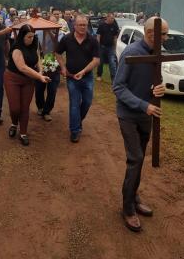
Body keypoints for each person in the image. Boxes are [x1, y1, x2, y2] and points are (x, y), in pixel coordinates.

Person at [112, 16, 168, 233]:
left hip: (147, 114)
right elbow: (118, 87)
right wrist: (144, 105)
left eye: (166, 33)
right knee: (135, 158)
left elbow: (154, 80)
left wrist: (159, 88)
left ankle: (134, 198)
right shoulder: (131, 52)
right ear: (150, 32)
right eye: (162, 34)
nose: (165, 37)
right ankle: (127, 209)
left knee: (139, 159)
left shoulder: (157, 54)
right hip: (128, 114)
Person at [55, 15, 100, 142]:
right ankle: (75, 130)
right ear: (74, 26)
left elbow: (96, 60)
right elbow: (58, 53)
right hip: (72, 77)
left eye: (84, 25)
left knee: (87, 102)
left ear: (87, 25)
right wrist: (63, 68)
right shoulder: (67, 39)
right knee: (74, 104)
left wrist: (84, 71)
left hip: (87, 77)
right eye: (79, 25)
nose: (82, 27)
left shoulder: (93, 40)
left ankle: (77, 121)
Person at [4, 24, 50, 146]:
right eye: (28, 37)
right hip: (12, 79)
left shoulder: (34, 41)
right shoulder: (16, 47)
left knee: (25, 107)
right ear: (22, 36)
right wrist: (39, 76)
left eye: (32, 36)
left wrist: (40, 70)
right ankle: (14, 123)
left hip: (28, 80)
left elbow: (37, 58)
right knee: (15, 108)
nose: (31, 39)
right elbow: (22, 67)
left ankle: (23, 133)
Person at [35, 15, 62, 122]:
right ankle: (40, 107)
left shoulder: (60, 34)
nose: (50, 25)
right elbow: (35, 48)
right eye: (48, 23)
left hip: (54, 66)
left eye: (53, 23)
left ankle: (47, 111)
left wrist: (50, 32)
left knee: (52, 90)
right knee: (39, 89)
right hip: (40, 64)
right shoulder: (38, 33)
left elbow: (58, 46)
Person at [96, 12, 119, 82]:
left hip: (111, 47)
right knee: (101, 61)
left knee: (112, 62)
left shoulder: (115, 26)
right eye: (111, 18)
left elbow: (115, 38)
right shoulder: (102, 25)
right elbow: (98, 36)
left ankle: (114, 79)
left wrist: (115, 48)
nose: (112, 19)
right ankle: (99, 75)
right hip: (102, 46)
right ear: (107, 17)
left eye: (113, 18)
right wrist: (97, 46)